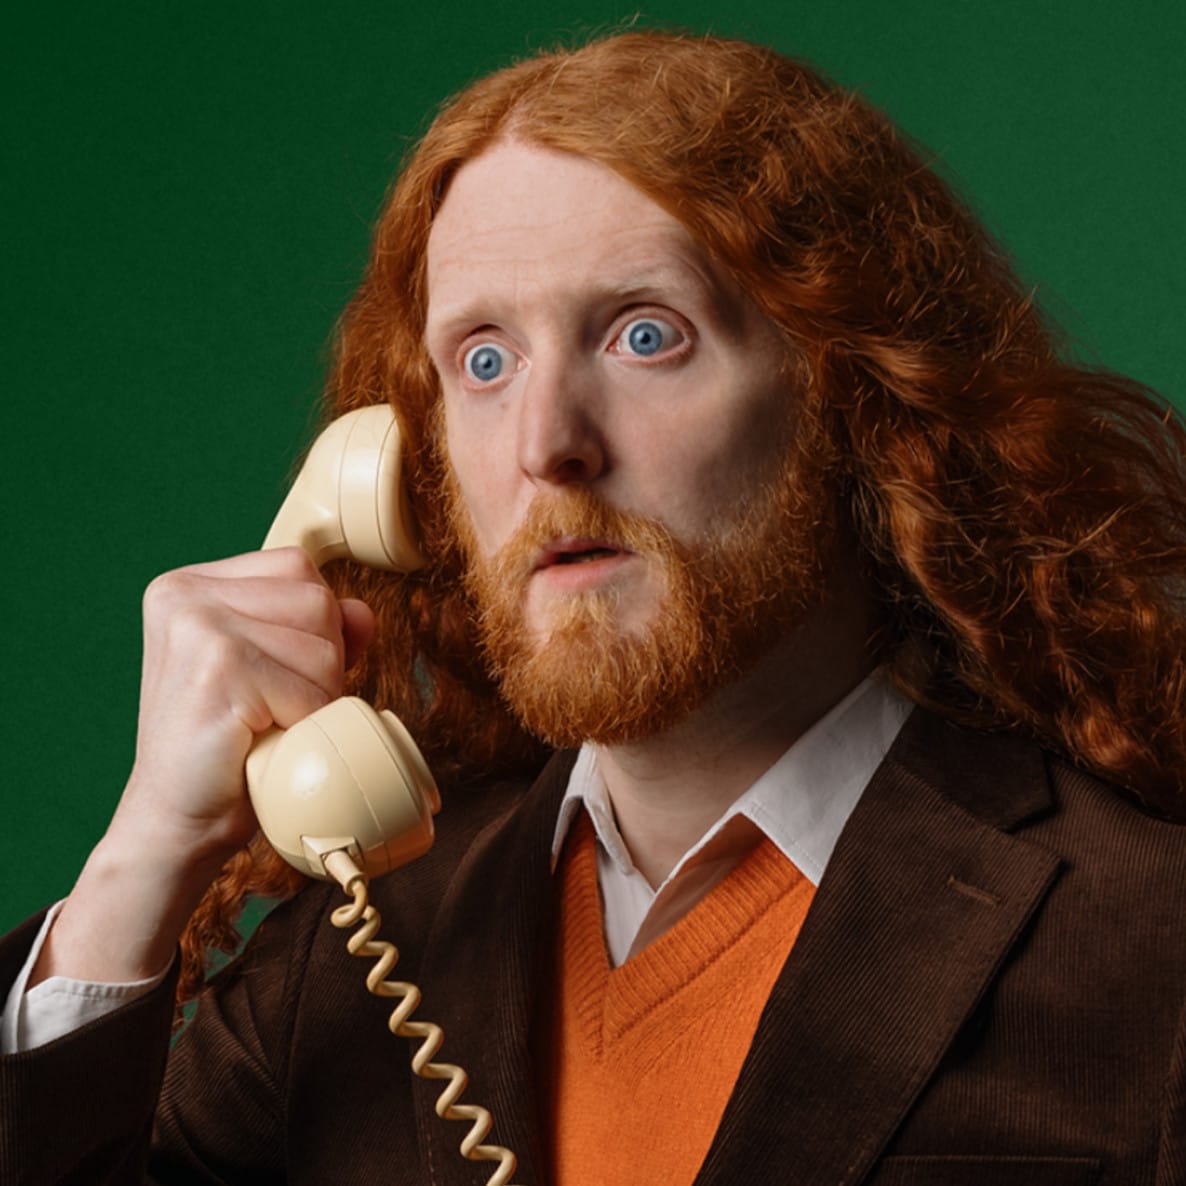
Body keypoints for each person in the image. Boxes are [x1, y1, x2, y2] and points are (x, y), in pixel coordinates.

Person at [2, 28, 1185, 1186]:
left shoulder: (1145, 941)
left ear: (853, 399)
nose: (545, 446)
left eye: (643, 335)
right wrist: (138, 867)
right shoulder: (355, 954)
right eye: (482, 360)